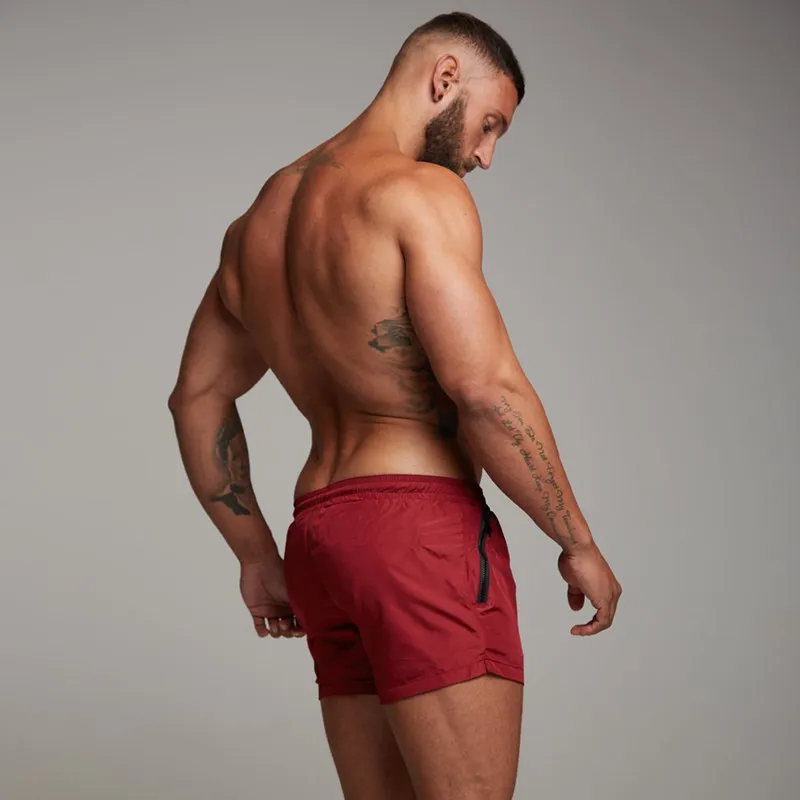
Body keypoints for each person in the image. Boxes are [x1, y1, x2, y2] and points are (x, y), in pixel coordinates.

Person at [168, 11, 622, 800]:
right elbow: (485, 389)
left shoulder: (259, 221)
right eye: (490, 124)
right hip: (418, 534)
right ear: (444, 78)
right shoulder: (418, 193)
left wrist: (256, 556)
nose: (484, 155)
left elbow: (196, 397)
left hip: (320, 542)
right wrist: (576, 538)